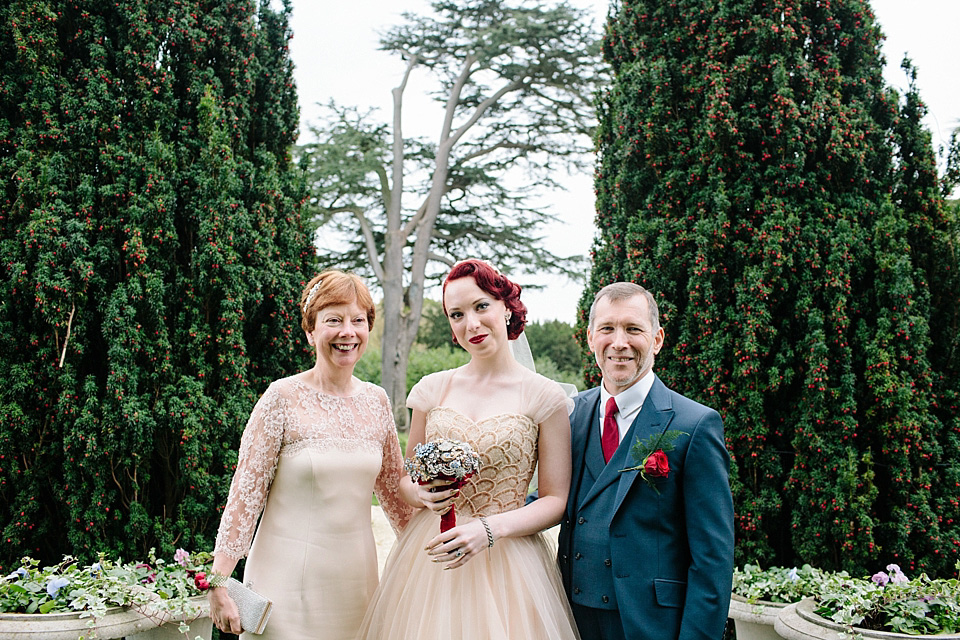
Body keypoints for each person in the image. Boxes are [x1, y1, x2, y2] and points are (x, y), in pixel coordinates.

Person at [357, 259, 580, 640]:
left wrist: (490, 529)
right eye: (456, 315)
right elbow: (407, 481)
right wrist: (424, 494)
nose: (471, 324)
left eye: (481, 307)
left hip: (509, 560)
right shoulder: (433, 389)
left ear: (506, 306)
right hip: (432, 560)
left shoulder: (544, 396)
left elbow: (556, 499)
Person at [206, 271, 412, 639]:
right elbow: (245, 495)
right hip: (285, 588)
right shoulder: (280, 398)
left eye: (358, 320)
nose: (347, 331)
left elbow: (397, 496)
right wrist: (218, 580)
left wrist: (430, 561)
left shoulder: (377, 401)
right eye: (333, 320)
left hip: (357, 588)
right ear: (310, 331)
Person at [557, 282, 734, 640]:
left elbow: (713, 557)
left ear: (657, 339)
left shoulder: (695, 424)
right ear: (591, 338)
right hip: (570, 620)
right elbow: (548, 498)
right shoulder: (570, 416)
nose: (619, 342)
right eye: (607, 328)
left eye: (633, 329)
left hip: (651, 624)